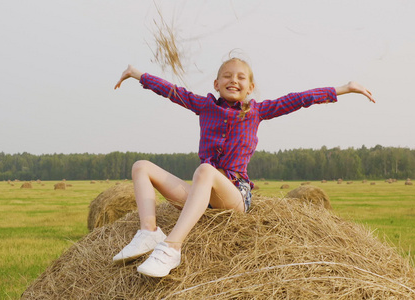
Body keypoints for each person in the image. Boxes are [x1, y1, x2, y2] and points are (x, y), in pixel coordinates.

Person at [112, 57, 375, 278]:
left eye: (240, 77)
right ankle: (148, 232)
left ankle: (172, 248)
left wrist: (344, 88)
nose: (233, 81)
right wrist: (136, 74)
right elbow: (170, 91)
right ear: (216, 84)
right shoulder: (203, 106)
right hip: (200, 194)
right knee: (141, 167)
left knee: (204, 170)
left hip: (235, 195)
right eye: (226, 76)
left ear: (250, 87)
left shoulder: (258, 111)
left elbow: (299, 99)